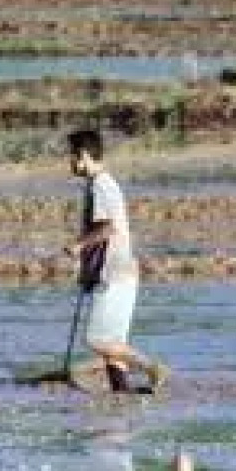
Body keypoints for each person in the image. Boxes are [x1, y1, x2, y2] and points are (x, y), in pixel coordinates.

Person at [61, 128, 170, 395]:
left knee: (96, 340)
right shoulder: (103, 183)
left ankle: (151, 367)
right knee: (114, 346)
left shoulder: (99, 184)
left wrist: (78, 245)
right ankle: (122, 395)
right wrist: (87, 271)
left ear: (84, 155)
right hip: (120, 272)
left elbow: (107, 228)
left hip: (115, 273)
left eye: (72, 156)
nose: (70, 162)